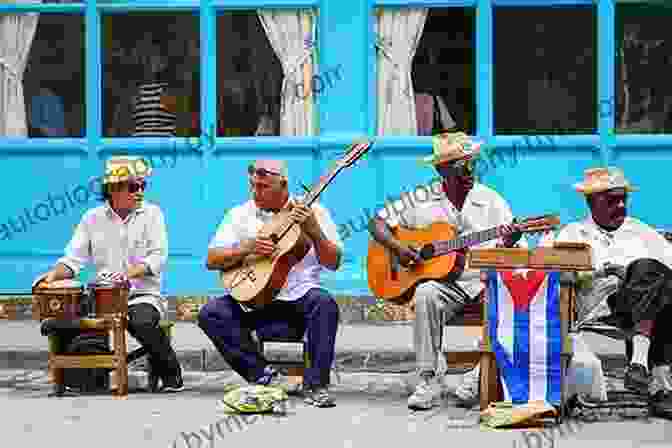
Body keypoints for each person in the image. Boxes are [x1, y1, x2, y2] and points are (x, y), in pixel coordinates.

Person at [367, 132, 524, 410]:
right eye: (460, 164)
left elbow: (519, 254)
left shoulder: (491, 201)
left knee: (513, 299)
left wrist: (509, 242)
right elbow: (377, 222)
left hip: (482, 281)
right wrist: (398, 248)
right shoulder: (419, 197)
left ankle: (478, 376)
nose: (469, 170)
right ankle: (428, 379)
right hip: (444, 284)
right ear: (441, 169)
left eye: (471, 162)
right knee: (426, 293)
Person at [199, 160, 343, 408]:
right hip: (255, 299)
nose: (256, 193)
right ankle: (264, 376)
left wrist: (314, 230)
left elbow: (333, 262)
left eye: (263, 187)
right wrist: (247, 247)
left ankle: (316, 386)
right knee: (211, 313)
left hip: (299, 298)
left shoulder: (315, 212)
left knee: (325, 304)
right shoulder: (239, 214)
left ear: (283, 185)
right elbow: (212, 260)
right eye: (252, 186)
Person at [34, 156, 183, 392]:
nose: (140, 191)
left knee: (141, 321)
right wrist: (52, 276)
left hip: (142, 295)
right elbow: (73, 260)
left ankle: (172, 374)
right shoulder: (91, 218)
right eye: (134, 186)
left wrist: (127, 274)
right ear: (113, 188)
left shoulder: (153, 214)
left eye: (144, 185)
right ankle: (76, 378)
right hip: (102, 298)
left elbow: (158, 257)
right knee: (62, 317)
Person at [542, 167, 672, 418]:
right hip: (601, 307)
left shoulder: (642, 232)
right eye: (612, 200)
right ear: (591, 202)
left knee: (655, 278)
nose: (621, 205)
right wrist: (602, 272)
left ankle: (641, 367)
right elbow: (552, 273)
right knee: (647, 272)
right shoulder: (573, 233)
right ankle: (655, 381)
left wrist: (633, 276)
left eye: (624, 199)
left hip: (643, 306)